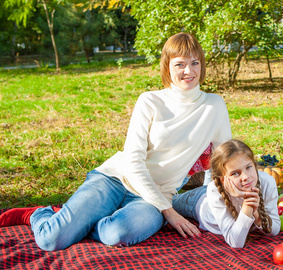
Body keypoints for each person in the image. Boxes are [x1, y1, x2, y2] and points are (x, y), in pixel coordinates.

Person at [0, 32, 232, 251]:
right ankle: (39, 214)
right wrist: (169, 212)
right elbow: (133, 162)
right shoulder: (150, 101)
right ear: (167, 67)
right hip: (115, 179)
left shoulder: (214, 105)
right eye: (180, 64)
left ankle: (83, 222)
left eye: (194, 63)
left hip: (154, 196)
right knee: (52, 239)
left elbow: (224, 160)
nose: (188, 71)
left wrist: (224, 201)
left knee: (117, 233)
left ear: (202, 65)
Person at [172, 139, 281, 248]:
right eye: (235, 173)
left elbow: (275, 229)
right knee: (170, 203)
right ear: (223, 180)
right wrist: (247, 205)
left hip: (213, 192)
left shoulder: (267, 182)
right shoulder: (215, 190)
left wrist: (256, 213)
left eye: (248, 167)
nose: (246, 177)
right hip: (198, 202)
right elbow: (236, 242)